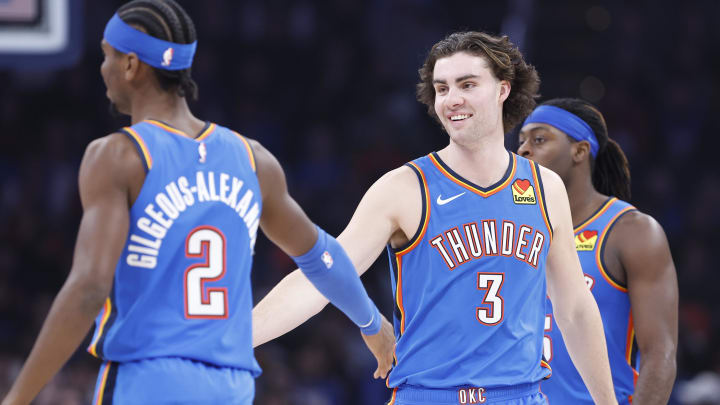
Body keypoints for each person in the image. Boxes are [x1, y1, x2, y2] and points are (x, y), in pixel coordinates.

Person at [0, 1, 394, 404]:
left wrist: (18, 398)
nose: (101, 69)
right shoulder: (252, 159)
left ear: (132, 65)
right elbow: (321, 255)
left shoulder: (119, 156)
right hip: (230, 386)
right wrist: (370, 321)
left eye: (107, 56)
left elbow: (88, 290)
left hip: (148, 381)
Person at [253, 31, 618, 404]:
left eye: (467, 84)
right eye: (442, 88)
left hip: (520, 395)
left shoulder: (545, 188)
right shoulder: (405, 188)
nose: (452, 99)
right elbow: (324, 273)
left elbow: (574, 309)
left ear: (502, 90)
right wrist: (237, 337)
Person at [518, 98, 678, 404]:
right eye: (521, 140)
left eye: (539, 139)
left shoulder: (631, 231)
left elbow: (661, 355)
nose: (524, 149)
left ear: (579, 151)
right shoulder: (515, 234)